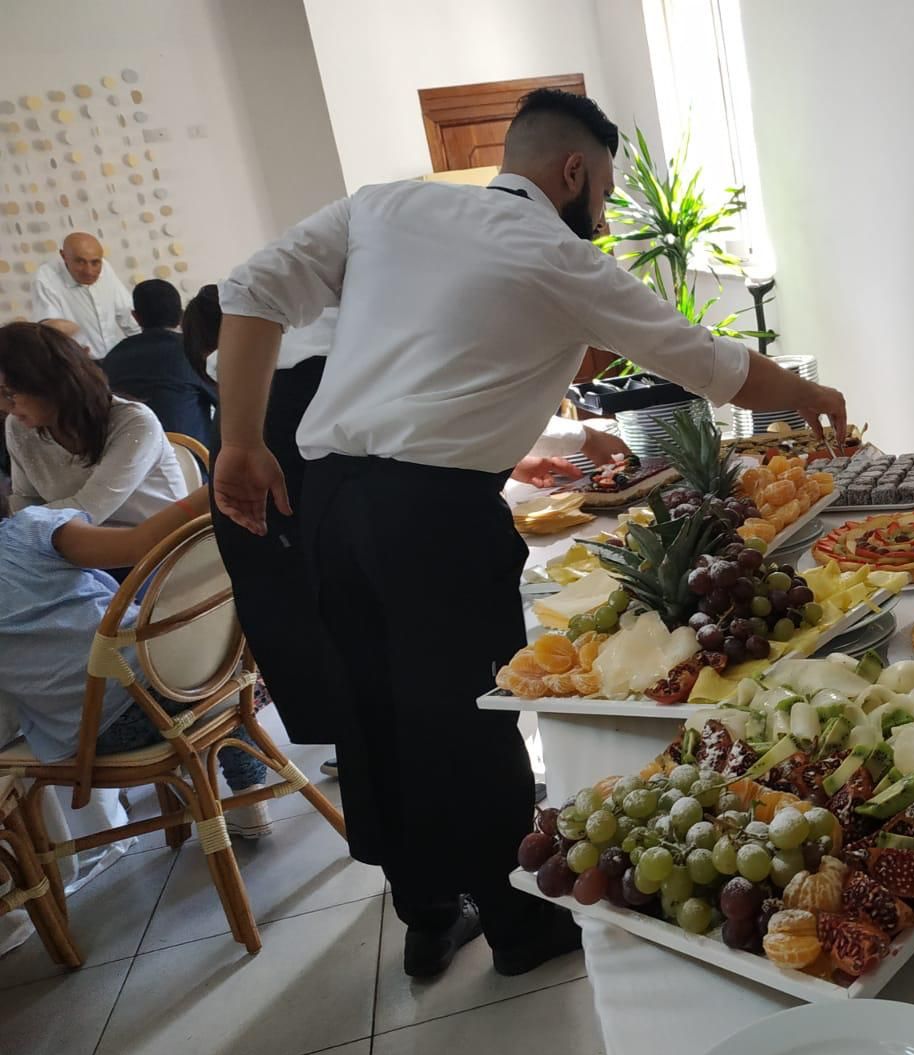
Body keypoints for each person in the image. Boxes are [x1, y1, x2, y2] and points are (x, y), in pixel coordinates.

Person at [213, 88, 846, 982]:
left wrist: (239, 443)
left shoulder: (387, 205)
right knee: (474, 716)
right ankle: (519, 925)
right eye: (607, 189)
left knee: (374, 707)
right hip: (433, 521)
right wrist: (811, 397)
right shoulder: (558, 254)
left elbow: (248, 291)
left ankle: (426, 911)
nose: (605, 208)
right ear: (575, 172)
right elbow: (710, 363)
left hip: (327, 500)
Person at [0, 483, 272, 837]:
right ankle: (247, 794)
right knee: (222, 647)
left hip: (101, 734)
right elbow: (138, 546)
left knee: (154, 662)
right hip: (184, 677)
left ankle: (200, 778)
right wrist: (217, 483)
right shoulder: (29, 530)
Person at [181, 289, 343, 777]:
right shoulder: (313, 364)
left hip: (285, 561)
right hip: (316, 550)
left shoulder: (254, 398)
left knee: (345, 675)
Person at [2, 322, 186, 527]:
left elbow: (89, 509)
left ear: (50, 381)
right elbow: (24, 498)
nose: (4, 406)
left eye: (9, 393)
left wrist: (17, 526)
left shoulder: (134, 423)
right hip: (72, 541)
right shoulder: (18, 425)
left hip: (161, 546)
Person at [99, 279, 218, 445]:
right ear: (181, 315)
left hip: (136, 459)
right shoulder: (192, 351)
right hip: (192, 461)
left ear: (136, 317)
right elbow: (227, 404)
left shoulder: (113, 357)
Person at [30, 233, 139, 359]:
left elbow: (126, 312)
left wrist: (143, 345)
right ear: (63, 256)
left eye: (95, 263)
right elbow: (48, 330)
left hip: (114, 357)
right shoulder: (45, 277)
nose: (89, 271)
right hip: (77, 362)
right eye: (80, 262)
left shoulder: (105, 267)